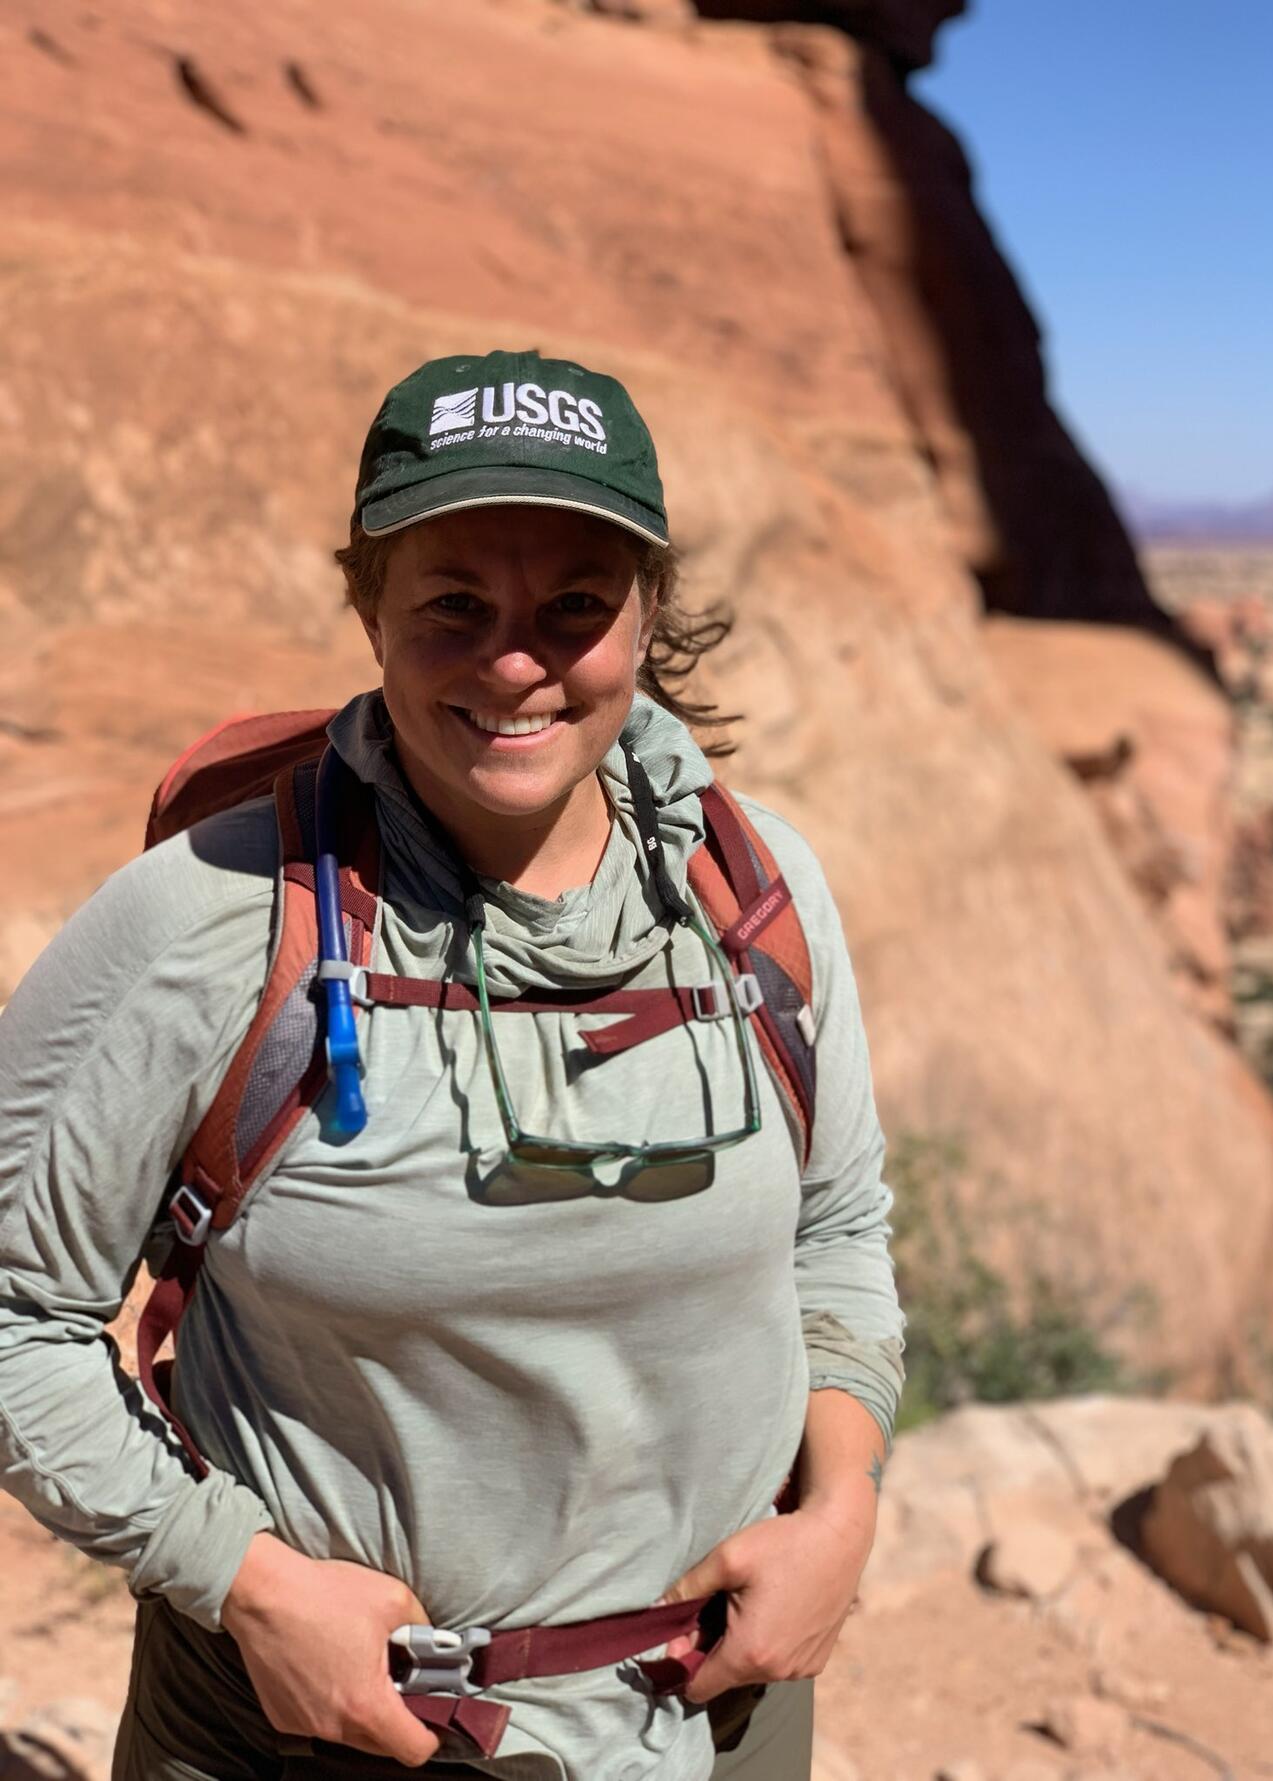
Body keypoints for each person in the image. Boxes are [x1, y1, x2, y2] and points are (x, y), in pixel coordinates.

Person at [0, 349, 905, 1781]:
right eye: (453, 605)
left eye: (573, 606)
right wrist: (245, 1578)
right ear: (368, 605)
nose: (514, 658)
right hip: (311, 1733)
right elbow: (12, 1317)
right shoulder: (214, 919)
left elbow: (836, 1231)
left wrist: (842, 1504)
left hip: (712, 1726)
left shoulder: (754, 898)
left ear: (648, 611)